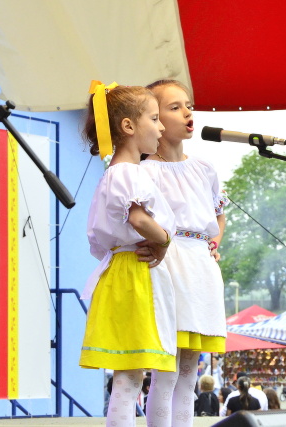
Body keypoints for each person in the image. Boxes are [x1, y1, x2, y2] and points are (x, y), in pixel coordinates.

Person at [78, 82, 177, 427]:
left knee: (130, 375)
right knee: (131, 375)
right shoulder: (128, 172)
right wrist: (164, 239)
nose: (161, 127)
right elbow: (138, 218)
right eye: (154, 118)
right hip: (135, 274)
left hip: (125, 270)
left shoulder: (117, 173)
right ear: (128, 126)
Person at [139, 79, 229, 427]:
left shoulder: (204, 167)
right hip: (168, 263)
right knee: (166, 371)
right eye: (174, 107)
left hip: (201, 267)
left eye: (188, 105)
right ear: (154, 118)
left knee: (190, 371)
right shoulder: (145, 170)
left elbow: (218, 214)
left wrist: (214, 242)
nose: (187, 112)